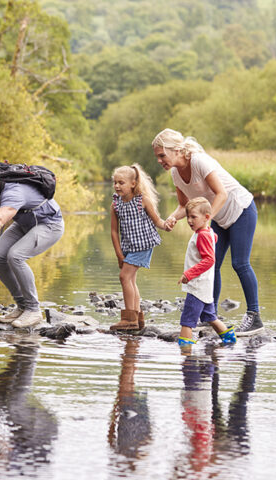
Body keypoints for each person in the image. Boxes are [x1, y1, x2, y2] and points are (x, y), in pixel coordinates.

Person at [152, 128, 264, 336]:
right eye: (157, 156)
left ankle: (254, 316)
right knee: (211, 264)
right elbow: (184, 206)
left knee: (240, 263)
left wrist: (206, 220)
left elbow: (221, 193)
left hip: (241, 210)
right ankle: (208, 315)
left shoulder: (199, 161)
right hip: (216, 218)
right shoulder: (176, 174)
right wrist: (172, 218)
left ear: (176, 150)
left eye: (161, 155)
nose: (159, 160)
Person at [0, 159, 64, 328]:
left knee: (15, 255)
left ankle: (33, 310)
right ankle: (22, 305)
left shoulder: (13, 191)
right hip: (26, 224)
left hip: (49, 224)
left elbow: (0, 220)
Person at [109, 163, 167, 331]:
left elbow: (157, 221)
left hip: (143, 244)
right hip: (128, 246)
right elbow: (114, 232)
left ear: (133, 183)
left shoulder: (142, 201)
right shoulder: (116, 205)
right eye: (115, 182)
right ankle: (138, 318)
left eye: (121, 182)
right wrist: (119, 254)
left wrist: (167, 225)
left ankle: (129, 319)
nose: (117, 186)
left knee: (124, 277)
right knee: (131, 280)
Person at [177, 197, 236, 345]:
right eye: (188, 217)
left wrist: (188, 274)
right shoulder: (208, 231)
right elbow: (214, 238)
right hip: (206, 285)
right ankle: (228, 337)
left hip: (197, 285)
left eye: (193, 217)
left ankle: (185, 350)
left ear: (207, 217)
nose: (189, 220)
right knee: (209, 316)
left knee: (187, 320)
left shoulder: (202, 235)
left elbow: (209, 260)